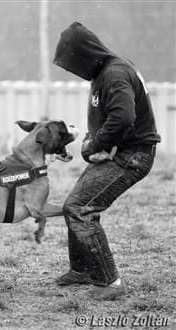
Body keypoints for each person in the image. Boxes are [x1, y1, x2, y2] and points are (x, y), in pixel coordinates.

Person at [53, 22, 161, 300]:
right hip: (123, 150)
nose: (73, 71)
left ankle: (109, 283)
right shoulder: (108, 69)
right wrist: (93, 143)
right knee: (74, 205)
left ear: (84, 54)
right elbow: (111, 116)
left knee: (80, 208)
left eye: (71, 64)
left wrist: (98, 144)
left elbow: (124, 117)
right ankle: (82, 271)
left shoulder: (113, 74)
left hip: (131, 154)